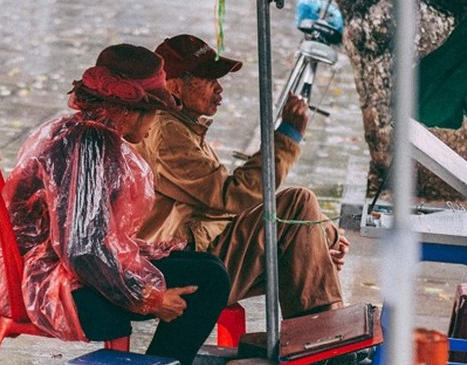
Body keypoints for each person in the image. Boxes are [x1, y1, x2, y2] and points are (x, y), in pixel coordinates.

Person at [2, 44, 230, 365]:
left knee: (207, 267)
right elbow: (81, 250)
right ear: (130, 110)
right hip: (61, 290)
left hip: (62, 271)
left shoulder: (81, 131)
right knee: (209, 281)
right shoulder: (91, 146)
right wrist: (148, 297)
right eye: (153, 112)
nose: (154, 123)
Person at [137, 33, 349, 318]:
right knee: (298, 202)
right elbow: (232, 196)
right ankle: (326, 337)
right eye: (209, 80)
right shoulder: (166, 132)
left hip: (207, 243)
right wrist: (288, 137)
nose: (219, 89)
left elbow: (229, 204)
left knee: (307, 242)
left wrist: (324, 234)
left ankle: (324, 339)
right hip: (187, 260)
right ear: (174, 86)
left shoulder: (182, 125)